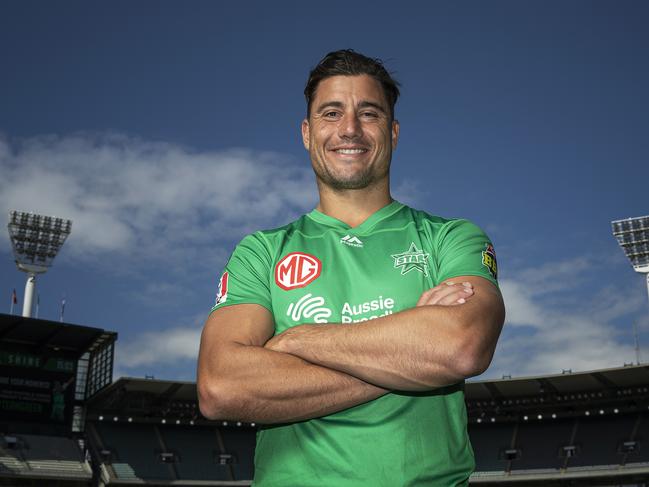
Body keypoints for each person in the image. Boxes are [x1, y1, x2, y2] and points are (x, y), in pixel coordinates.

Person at [197, 49, 505, 487]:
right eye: (331, 112)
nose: (349, 129)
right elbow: (221, 385)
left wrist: (295, 340)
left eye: (369, 113)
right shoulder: (261, 252)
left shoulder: (451, 238)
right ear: (306, 133)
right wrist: (412, 355)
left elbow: (461, 348)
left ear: (393, 132)